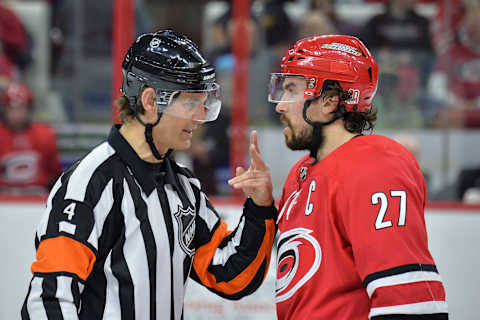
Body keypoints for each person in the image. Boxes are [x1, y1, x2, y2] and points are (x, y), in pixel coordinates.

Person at [21, 30, 276, 319]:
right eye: (190, 103)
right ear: (151, 100)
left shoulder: (184, 187)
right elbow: (49, 299)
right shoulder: (89, 183)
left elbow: (229, 274)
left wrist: (259, 208)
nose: (198, 116)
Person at [230, 35, 448, 319]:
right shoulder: (301, 173)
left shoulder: (376, 166)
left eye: (292, 90)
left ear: (331, 100)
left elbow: (410, 304)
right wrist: (262, 208)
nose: (280, 105)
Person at [0, 82, 62, 195]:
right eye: (12, 109)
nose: (17, 115)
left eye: (21, 108)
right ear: (4, 110)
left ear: (29, 110)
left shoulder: (44, 134)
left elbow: (54, 173)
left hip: (37, 196)